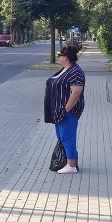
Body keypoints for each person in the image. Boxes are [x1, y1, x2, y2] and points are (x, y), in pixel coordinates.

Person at [44, 45, 85, 174]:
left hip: (68, 111)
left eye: (60, 56)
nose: (59, 58)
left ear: (65, 58)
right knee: (62, 137)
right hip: (58, 110)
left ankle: (71, 165)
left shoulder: (75, 72)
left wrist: (65, 110)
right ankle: (71, 161)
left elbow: (76, 93)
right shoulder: (66, 69)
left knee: (68, 137)